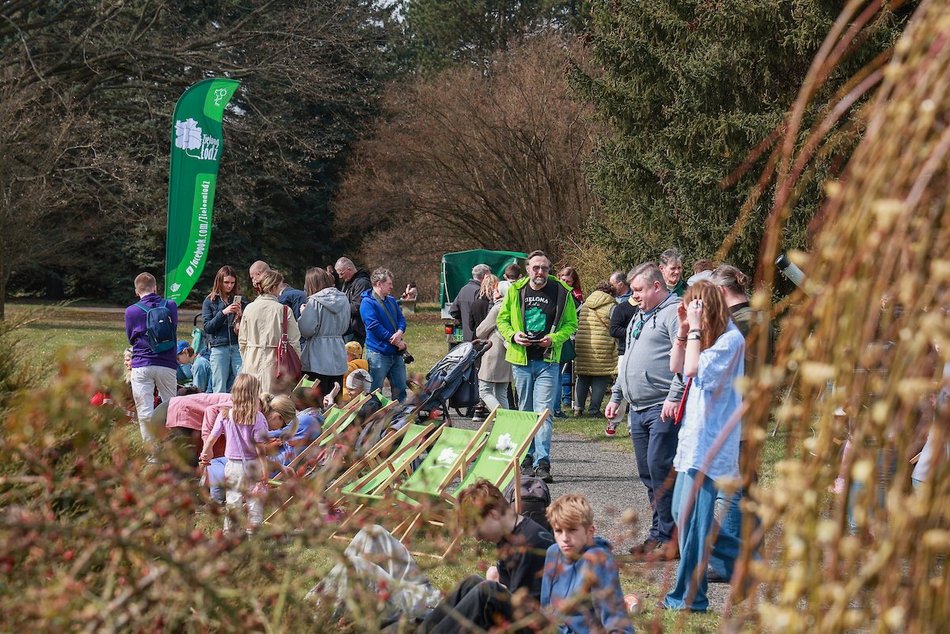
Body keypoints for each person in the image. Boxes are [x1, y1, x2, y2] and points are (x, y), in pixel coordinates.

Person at [663, 280, 744, 612]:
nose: (694, 313)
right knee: (679, 513)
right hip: (693, 441)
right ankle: (742, 556)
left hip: (712, 443)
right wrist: (684, 331)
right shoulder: (705, 339)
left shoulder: (731, 340)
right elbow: (678, 367)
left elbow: (695, 368)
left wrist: (695, 329)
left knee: (695, 523)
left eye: (698, 307)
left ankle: (690, 597)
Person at [605, 262, 684, 560]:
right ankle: (659, 534)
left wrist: (674, 397)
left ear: (656, 286)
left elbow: (686, 361)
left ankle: (672, 537)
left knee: (660, 468)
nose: (633, 296)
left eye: (638, 290)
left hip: (662, 405)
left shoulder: (674, 314)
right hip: (636, 407)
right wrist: (616, 395)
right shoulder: (638, 315)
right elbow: (626, 361)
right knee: (648, 472)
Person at [418, 480, 554, 633]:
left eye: (476, 529)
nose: (477, 538)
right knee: (471, 583)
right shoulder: (510, 537)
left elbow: (525, 610)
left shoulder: (528, 544)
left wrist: (499, 590)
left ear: (493, 514)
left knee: (487, 591)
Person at [497, 250, 578, 484]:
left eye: (544, 268)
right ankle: (526, 457)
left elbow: (571, 323)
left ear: (549, 269)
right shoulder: (516, 290)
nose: (539, 272)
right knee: (525, 410)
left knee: (543, 413)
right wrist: (513, 336)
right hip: (521, 360)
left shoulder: (562, 292)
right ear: (528, 268)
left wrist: (554, 338)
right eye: (535, 267)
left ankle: (542, 462)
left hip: (548, 361)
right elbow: (502, 320)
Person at [540, 494, 633, 634]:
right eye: (558, 531)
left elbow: (615, 621)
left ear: (590, 531)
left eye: (572, 530)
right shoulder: (553, 553)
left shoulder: (598, 560)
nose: (564, 538)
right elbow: (546, 607)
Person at [198, 373, 270, 534]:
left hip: (232, 465)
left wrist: (205, 454)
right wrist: (265, 469)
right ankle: (254, 536)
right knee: (254, 503)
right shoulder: (257, 418)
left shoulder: (225, 414)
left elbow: (212, 438)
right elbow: (260, 448)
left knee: (233, 500)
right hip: (253, 465)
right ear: (254, 394)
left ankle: (229, 534)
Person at [125, 272, 179, 452]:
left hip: (142, 364)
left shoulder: (131, 311)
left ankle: (151, 454)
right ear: (156, 288)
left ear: (136, 291)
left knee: (145, 412)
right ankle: (172, 449)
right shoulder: (170, 305)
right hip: (167, 363)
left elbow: (131, 338)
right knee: (171, 408)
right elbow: (174, 329)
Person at [239, 269, 302, 395]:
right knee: (275, 404)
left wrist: (246, 359)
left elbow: (242, 341)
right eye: (279, 286)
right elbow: (294, 341)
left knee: (252, 399)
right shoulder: (284, 310)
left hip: (251, 360)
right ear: (273, 287)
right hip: (277, 364)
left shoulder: (249, 308)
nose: (280, 289)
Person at [298, 266, 349, 400]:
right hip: (337, 351)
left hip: (317, 355)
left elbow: (306, 330)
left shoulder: (314, 301)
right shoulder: (343, 299)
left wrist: (303, 314)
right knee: (334, 398)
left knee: (314, 401)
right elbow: (345, 326)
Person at [359, 267, 409, 401]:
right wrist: (395, 340)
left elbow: (401, 319)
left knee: (401, 389)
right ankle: (374, 418)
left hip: (396, 353)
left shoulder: (391, 300)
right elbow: (373, 326)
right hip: (378, 353)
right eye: (389, 284)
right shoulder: (367, 303)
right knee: (375, 391)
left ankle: (401, 418)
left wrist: (399, 331)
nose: (392, 286)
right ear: (379, 284)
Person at [573, 281, 617, 417]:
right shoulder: (612, 306)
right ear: (610, 292)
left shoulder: (585, 304)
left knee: (582, 376)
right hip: (602, 345)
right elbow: (615, 326)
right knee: (600, 377)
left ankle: (578, 408)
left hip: (582, 344)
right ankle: (594, 410)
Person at [606, 271, 639, 436]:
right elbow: (614, 330)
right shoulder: (622, 308)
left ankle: (634, 427)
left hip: (643, 354)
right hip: (625, 352)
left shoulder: (648, 307)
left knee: (637, 390)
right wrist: (634, 332)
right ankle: (613, 421)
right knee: (623, 386)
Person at [202, 265, 245, 393]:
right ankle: (219, 412)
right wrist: (223, 312)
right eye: (226, 282)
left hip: (237, 346)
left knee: (242, 384)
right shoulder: (210, 301)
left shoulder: (240, 300)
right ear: (219, 281)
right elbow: (208, 327)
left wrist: (241, 314)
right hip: (219, 347)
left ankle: (240, 410)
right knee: (219, 386)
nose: (229, 286)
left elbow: (249, 325)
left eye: (232, 282)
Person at [475, 277, 512, 412]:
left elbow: (480, 331)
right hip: (507, 352)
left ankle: (501, 417)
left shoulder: (497, 308)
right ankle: (507, 420)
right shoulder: (512, 307)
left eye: (496, 290)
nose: (493, 292)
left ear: (501, 292)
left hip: (494, 353)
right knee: (502, 393)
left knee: (484, 391)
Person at [449, 263, 492, 343]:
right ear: (485, 275)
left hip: (465, 336)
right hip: (479, 337)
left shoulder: (463, 289)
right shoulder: (481, 292)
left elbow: (453, 311)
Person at [335, 257, 373, 344]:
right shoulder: (347, 283)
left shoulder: (362, 283)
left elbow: (357, 307)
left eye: (341, 273)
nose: (340, 277)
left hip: (356, 331)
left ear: (349, 269)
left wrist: (338, 306)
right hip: (346, 329)